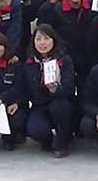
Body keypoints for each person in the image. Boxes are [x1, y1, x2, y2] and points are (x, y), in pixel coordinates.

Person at [37, 0, 97, 104]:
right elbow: (43, 27)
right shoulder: (56, 8)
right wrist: (51, 2)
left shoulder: (93, 8)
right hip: (64, 58)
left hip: (89, 59)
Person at [23, 25, 77, 158]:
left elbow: (69, 89)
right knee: (35, 129)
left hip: (61, 103)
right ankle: (47, 140)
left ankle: (63, 142)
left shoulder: (64, 60)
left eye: (46, 39)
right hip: (40, 104)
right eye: (38, 39)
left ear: (54, 40)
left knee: (60, 107)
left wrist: (55, 89)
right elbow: (27, 89)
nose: (42, 43)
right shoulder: (30, 62)